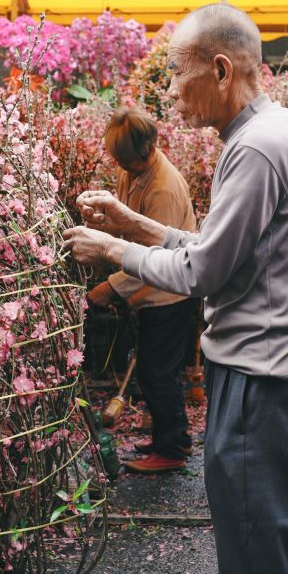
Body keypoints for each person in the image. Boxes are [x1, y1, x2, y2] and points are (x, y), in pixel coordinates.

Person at [64, 3, 288, 574]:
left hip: (264, 389)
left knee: (258, 569)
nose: (171, 92)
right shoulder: (281, 130)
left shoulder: (253, 147)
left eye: (179, 75)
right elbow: (225, 254)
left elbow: (201, 275)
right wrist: (135, 221)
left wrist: (113, 248)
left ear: (222, 71)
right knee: (278, 562)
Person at [87, 106, 196, 472]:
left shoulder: (163, 187)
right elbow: (128, 228)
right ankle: (172, 437)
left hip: (168, 294)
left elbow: (155, 260)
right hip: (147, 296)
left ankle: (171, 450)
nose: (123, 167)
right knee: (157, 370)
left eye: (128, 160)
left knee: (157, 373)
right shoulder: (131, 170)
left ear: (149, 149)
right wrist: (101, 225)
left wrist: (108, 288)